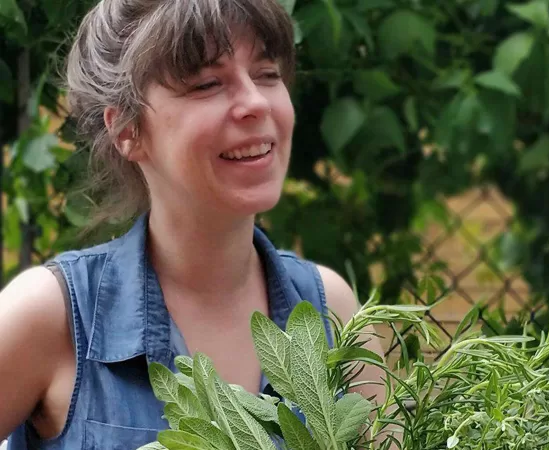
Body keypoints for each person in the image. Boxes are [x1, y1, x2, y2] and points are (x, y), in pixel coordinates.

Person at [0, 0, 388, 448]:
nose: (255, 102)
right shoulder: (52, 315)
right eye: (207, 84)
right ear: (126, 129)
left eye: (267, 74)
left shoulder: (330, 307)